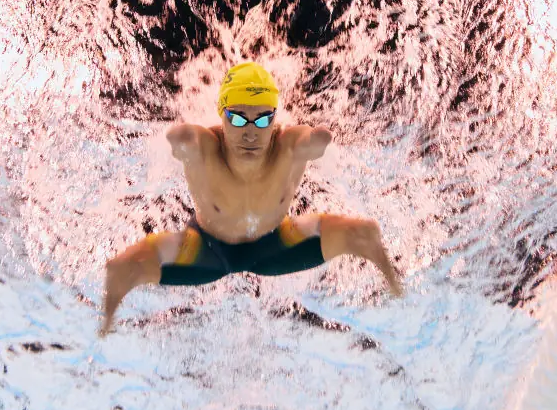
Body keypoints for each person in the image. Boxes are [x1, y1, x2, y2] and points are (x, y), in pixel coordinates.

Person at [100, 61, 403, 335]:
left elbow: (305, 140)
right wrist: (179, 141)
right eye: (237, 118)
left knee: (362, 234)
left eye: (262, 120)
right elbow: (186, 138)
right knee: (123, 268)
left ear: (274, 118)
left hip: (274, 244)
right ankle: (104, 332)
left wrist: (316, 143)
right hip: (207, 249)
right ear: (221, 113)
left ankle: (399, 297)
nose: (250, 133)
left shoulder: (287, 146)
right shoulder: (205, 147)